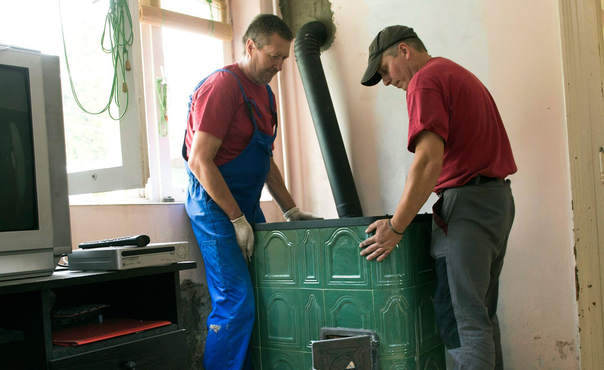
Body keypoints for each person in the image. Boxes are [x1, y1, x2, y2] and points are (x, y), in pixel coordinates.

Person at [358, 25, 517, 370]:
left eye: (384, 70)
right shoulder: (455, 73)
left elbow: (429, 160)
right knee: (481, 319)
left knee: (463, 326)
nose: (386, 81)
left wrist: (396, 227)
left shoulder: (425, 80)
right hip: (496, 202)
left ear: (403, 51)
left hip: (468, 207)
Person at [183, 14, 320, 370]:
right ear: (250, 46)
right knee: (235, 301)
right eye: (273, 56)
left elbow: (264, 160)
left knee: (266, 292)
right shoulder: (222, 87)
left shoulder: (266, 94)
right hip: (216, 206)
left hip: (243, 205)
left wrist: (290, 210)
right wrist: (236, 218)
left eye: (284, 59)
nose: (279, 65)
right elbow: (200, 162)